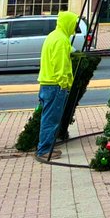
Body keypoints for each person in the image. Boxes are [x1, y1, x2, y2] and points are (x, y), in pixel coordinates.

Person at [35, 11, 77, 163]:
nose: (75, 27)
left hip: (47, 83)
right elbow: (61, 66)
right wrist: (65, 84)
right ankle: (44, 150)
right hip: (55, 85)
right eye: (74, 24)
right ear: (68, 23)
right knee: (51, 119)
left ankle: (45, 147)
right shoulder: (61, 40)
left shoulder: (54, 36)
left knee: (47, 117)